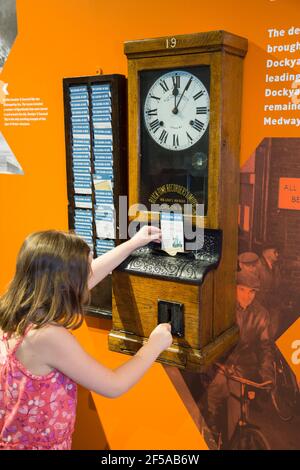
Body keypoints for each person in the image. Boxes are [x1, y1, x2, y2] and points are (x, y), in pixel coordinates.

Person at [0, 228, 172, 450]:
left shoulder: (15, 314)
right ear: (66, 284)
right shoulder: (47, 337)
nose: (89, 279)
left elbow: (87, 275)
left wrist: (132, 244)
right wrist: (154, 345)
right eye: (83, 275)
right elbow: (114, 385)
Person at [206, 271, 274, 441]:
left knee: (237, 419)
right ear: (234, 288)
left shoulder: (261, 314)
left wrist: (267, 375)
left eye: (252, 291)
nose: (247, 296)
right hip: (218, 365)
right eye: (242, 289)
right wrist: (217, 362)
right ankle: (209, 429)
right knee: (215, 393)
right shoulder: (221, 306)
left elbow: (265, 348)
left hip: (242, 370)